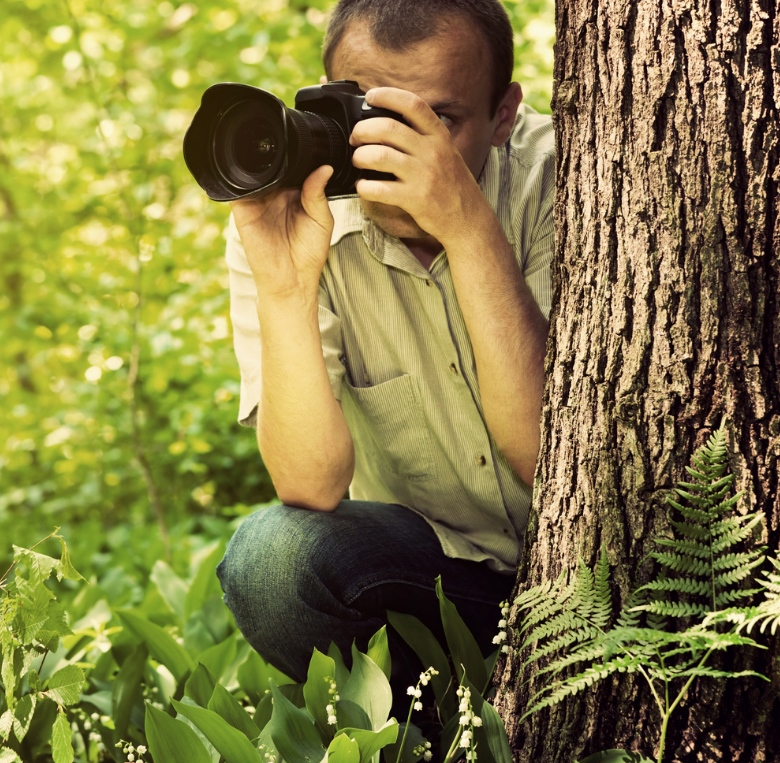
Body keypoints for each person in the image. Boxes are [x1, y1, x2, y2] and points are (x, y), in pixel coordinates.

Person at [216, 0, 554, 691]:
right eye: (370, 113)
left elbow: (547, 454)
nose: (394, 150)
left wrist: (468, 229)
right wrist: (285, 286)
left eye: (436, 120)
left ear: (502, 116)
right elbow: (308, 487)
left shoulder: (567, 179)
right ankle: (438, 748)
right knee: (271, 559)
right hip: (440, 582)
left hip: (605, 567)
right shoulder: (293, 212)